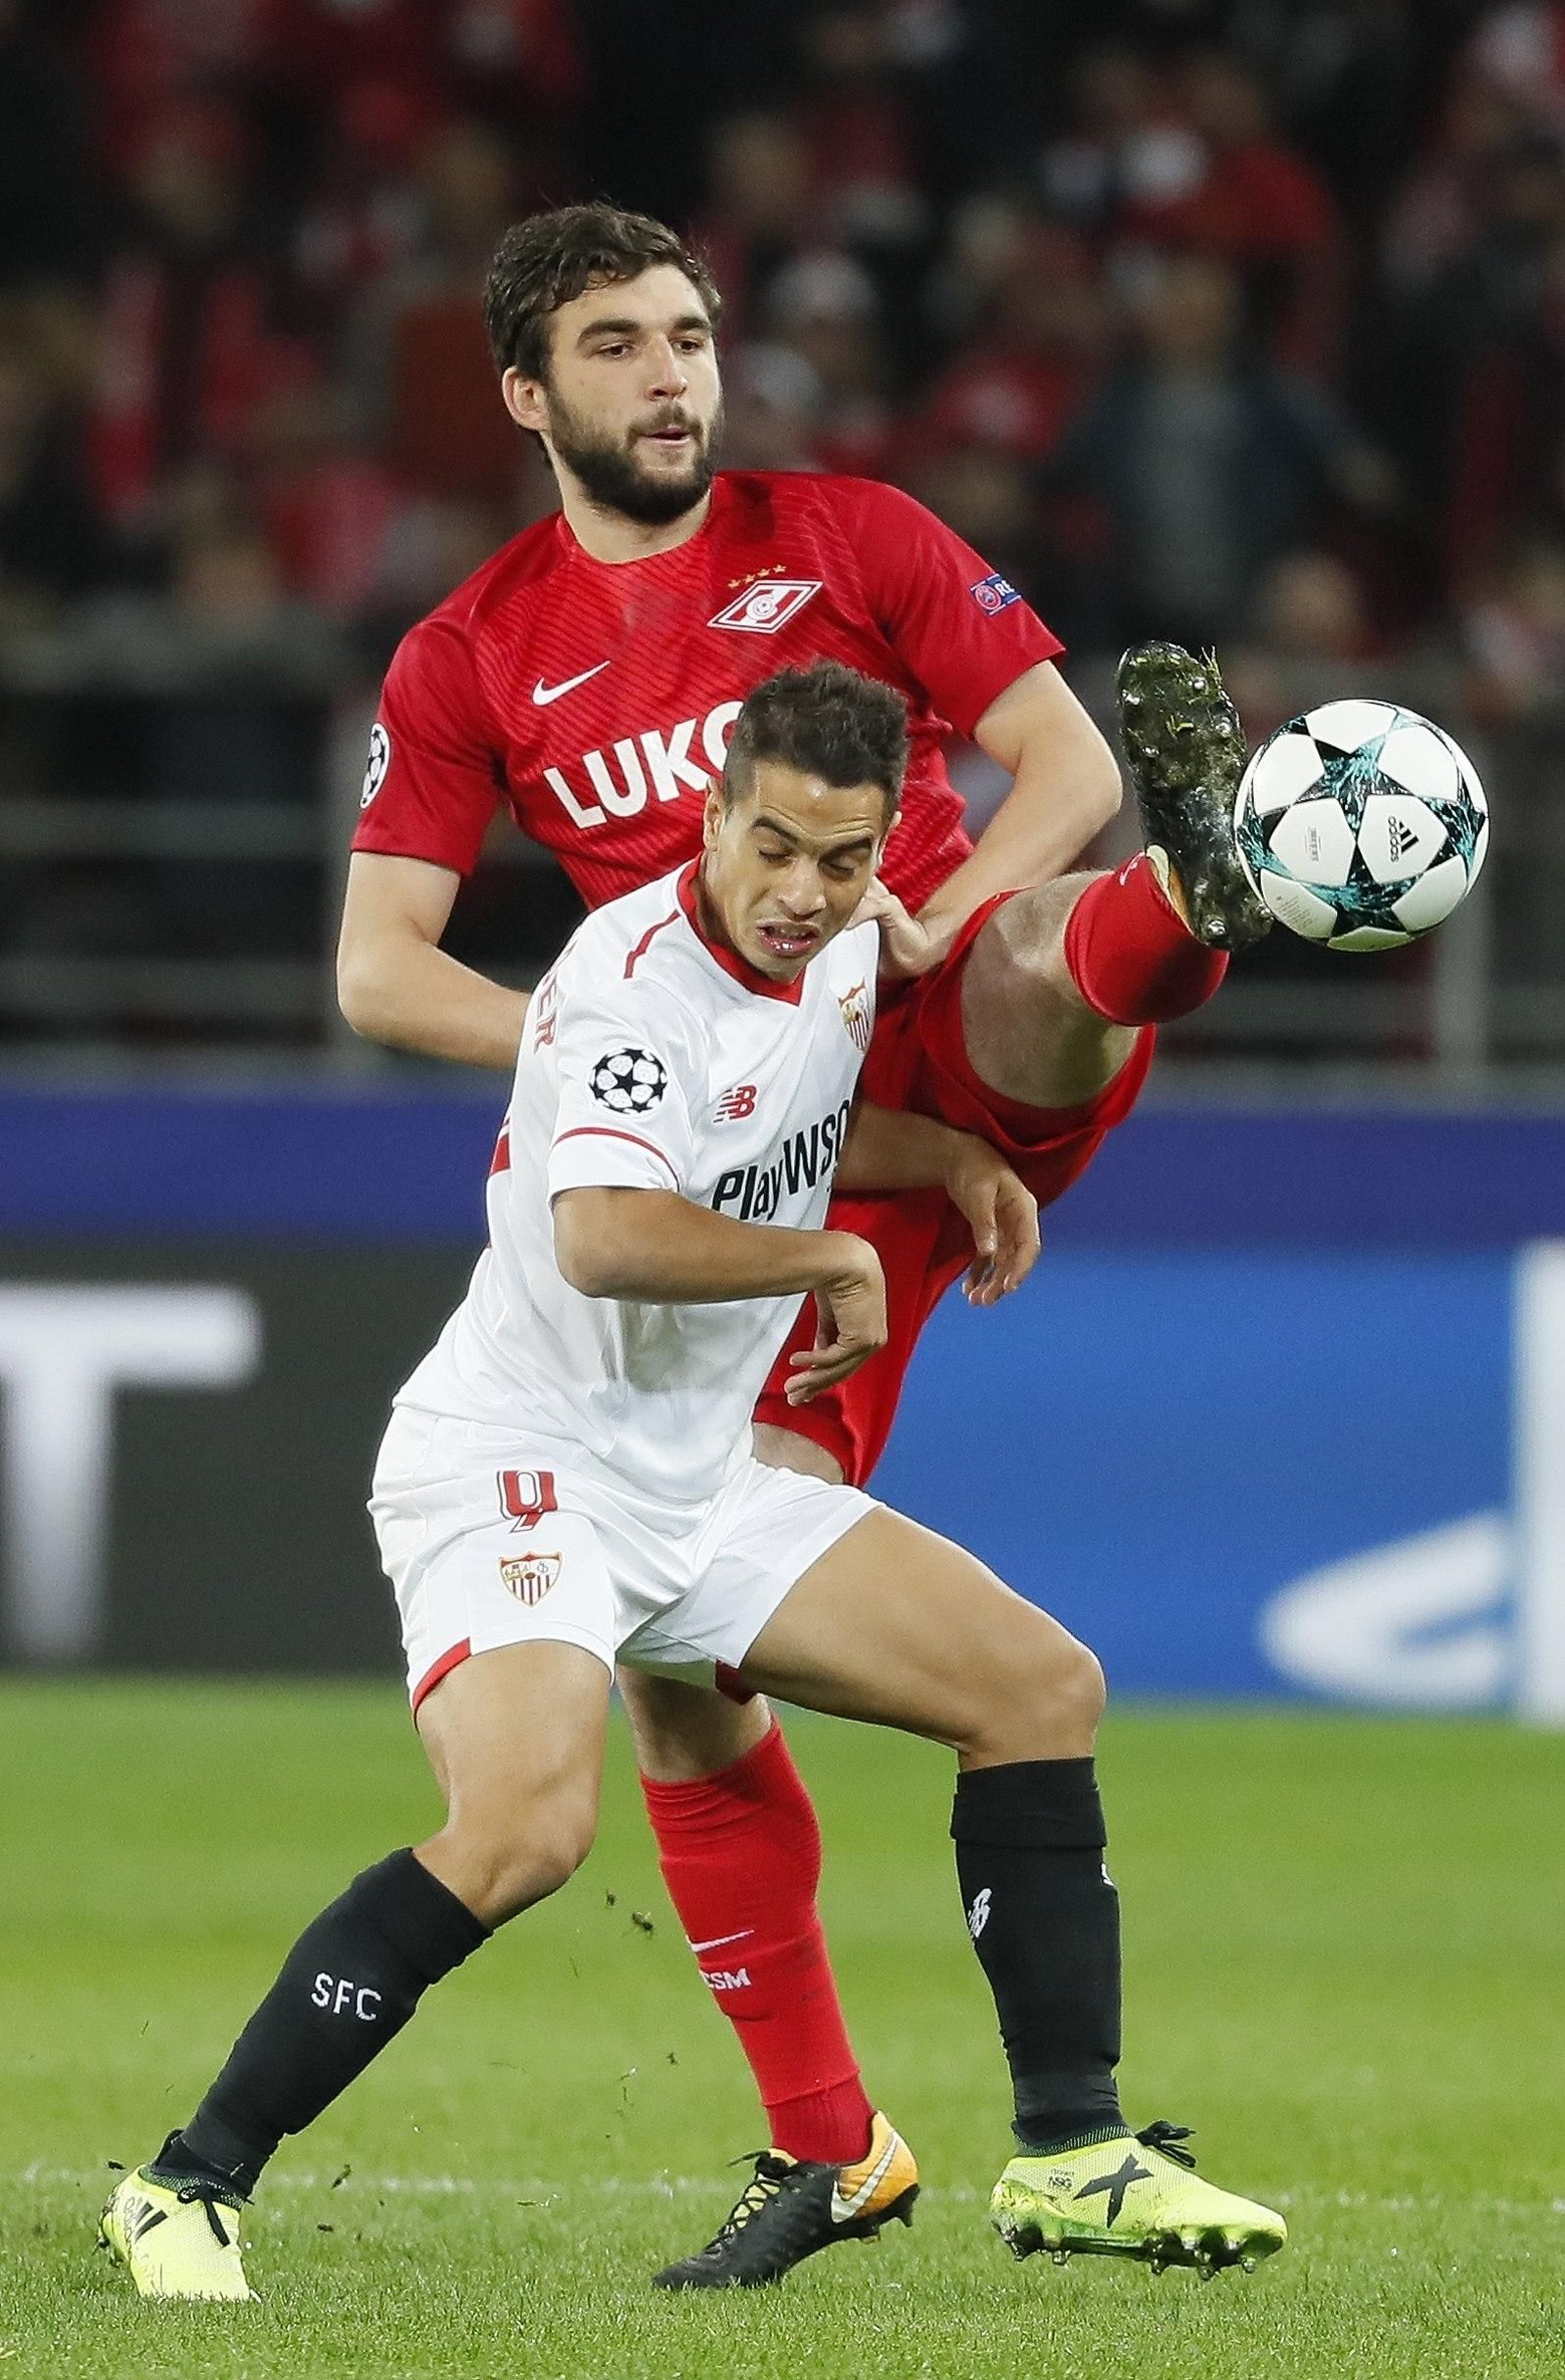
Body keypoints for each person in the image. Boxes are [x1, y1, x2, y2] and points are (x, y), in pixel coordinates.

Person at [334, 201, 1270, 2286]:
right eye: (616, 345)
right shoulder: (476, 645)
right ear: (526, 391)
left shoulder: (844, 529)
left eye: (688, 334)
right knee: (686, 1660)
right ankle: (829, 2143)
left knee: (1043, 937)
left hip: (945, 1005)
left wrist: (939, 905)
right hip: (790, 1160)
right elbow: (381, 973)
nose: (672, 373)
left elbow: (1061, 756)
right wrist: (607, 1047)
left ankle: (1197, 904)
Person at [100, 660, 1285, 2301]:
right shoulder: (626, 983)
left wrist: (940, 1155)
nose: (806, 895)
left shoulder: (850, 948)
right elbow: (605, 1235)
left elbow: (786, 1127)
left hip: (695, 1485)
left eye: (846, 861)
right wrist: (832, 1262)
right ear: (714, 813)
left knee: (1038, 1686)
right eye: (777, 848)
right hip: (522, 1464)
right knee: (523, 1828)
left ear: (884, 854)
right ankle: (186, 2182)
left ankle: (1075, 2147)